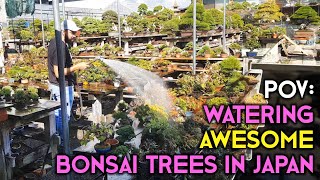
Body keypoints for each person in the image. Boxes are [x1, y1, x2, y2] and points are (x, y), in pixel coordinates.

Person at [47, 20, 89, 141]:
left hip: (64, 86)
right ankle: (61, 146)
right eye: (72, 32)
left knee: (61, 116)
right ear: (64, 31)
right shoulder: (58, 46)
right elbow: (59, 73)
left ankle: (61, 142)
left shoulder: (60, 43)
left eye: (76, 32)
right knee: (62, 116)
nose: (75, 35)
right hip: (61, 87)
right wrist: (77, 67)